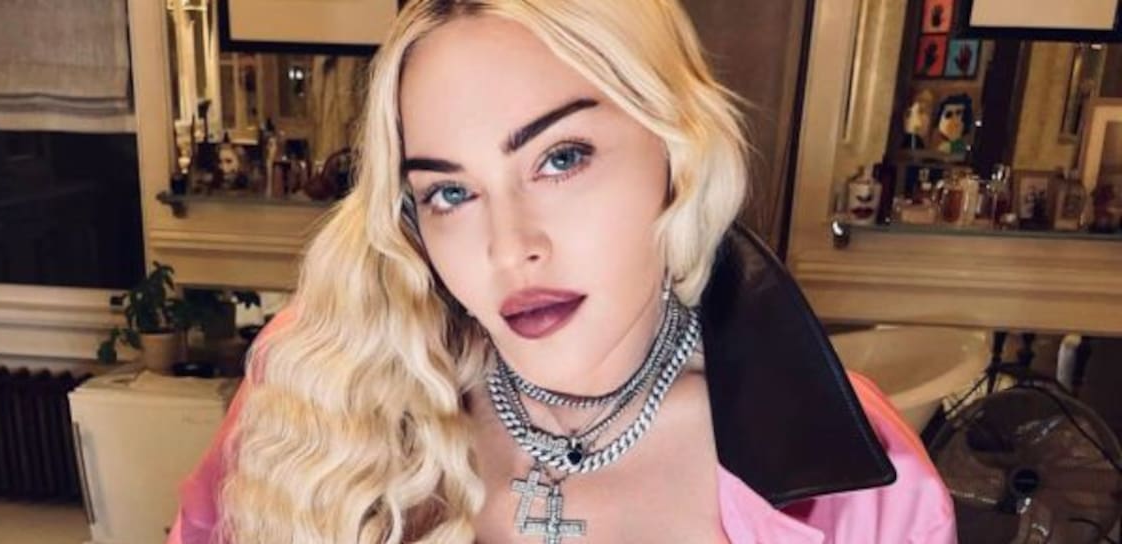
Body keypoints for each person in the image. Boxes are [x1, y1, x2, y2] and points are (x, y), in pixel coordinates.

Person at [169, 0, 956, 542]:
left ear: (677, 149)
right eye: (450, 192)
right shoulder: (322, 387)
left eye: (561, 158)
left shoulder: (856, 476)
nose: (509, 249)